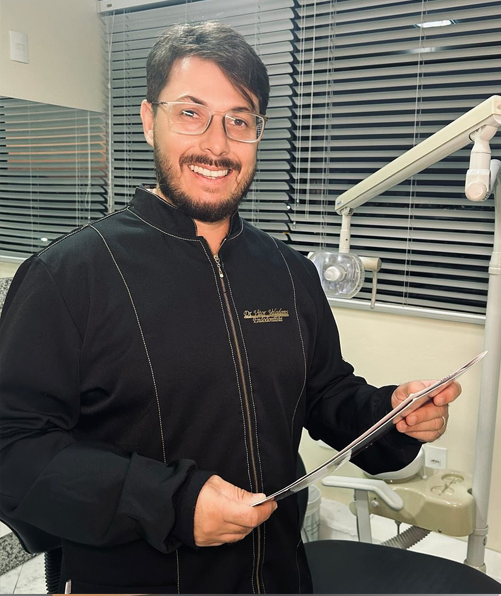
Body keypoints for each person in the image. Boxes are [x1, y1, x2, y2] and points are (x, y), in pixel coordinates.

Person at [0, 22, 461, 595]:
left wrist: (391, 413)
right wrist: (171, 503)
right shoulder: (68, 276)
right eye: (191, 113)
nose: (217, 145)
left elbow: (324, 393)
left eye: (239, 120)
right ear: (148, 120)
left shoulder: (289, 272)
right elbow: (13, 449)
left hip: (278, 579)